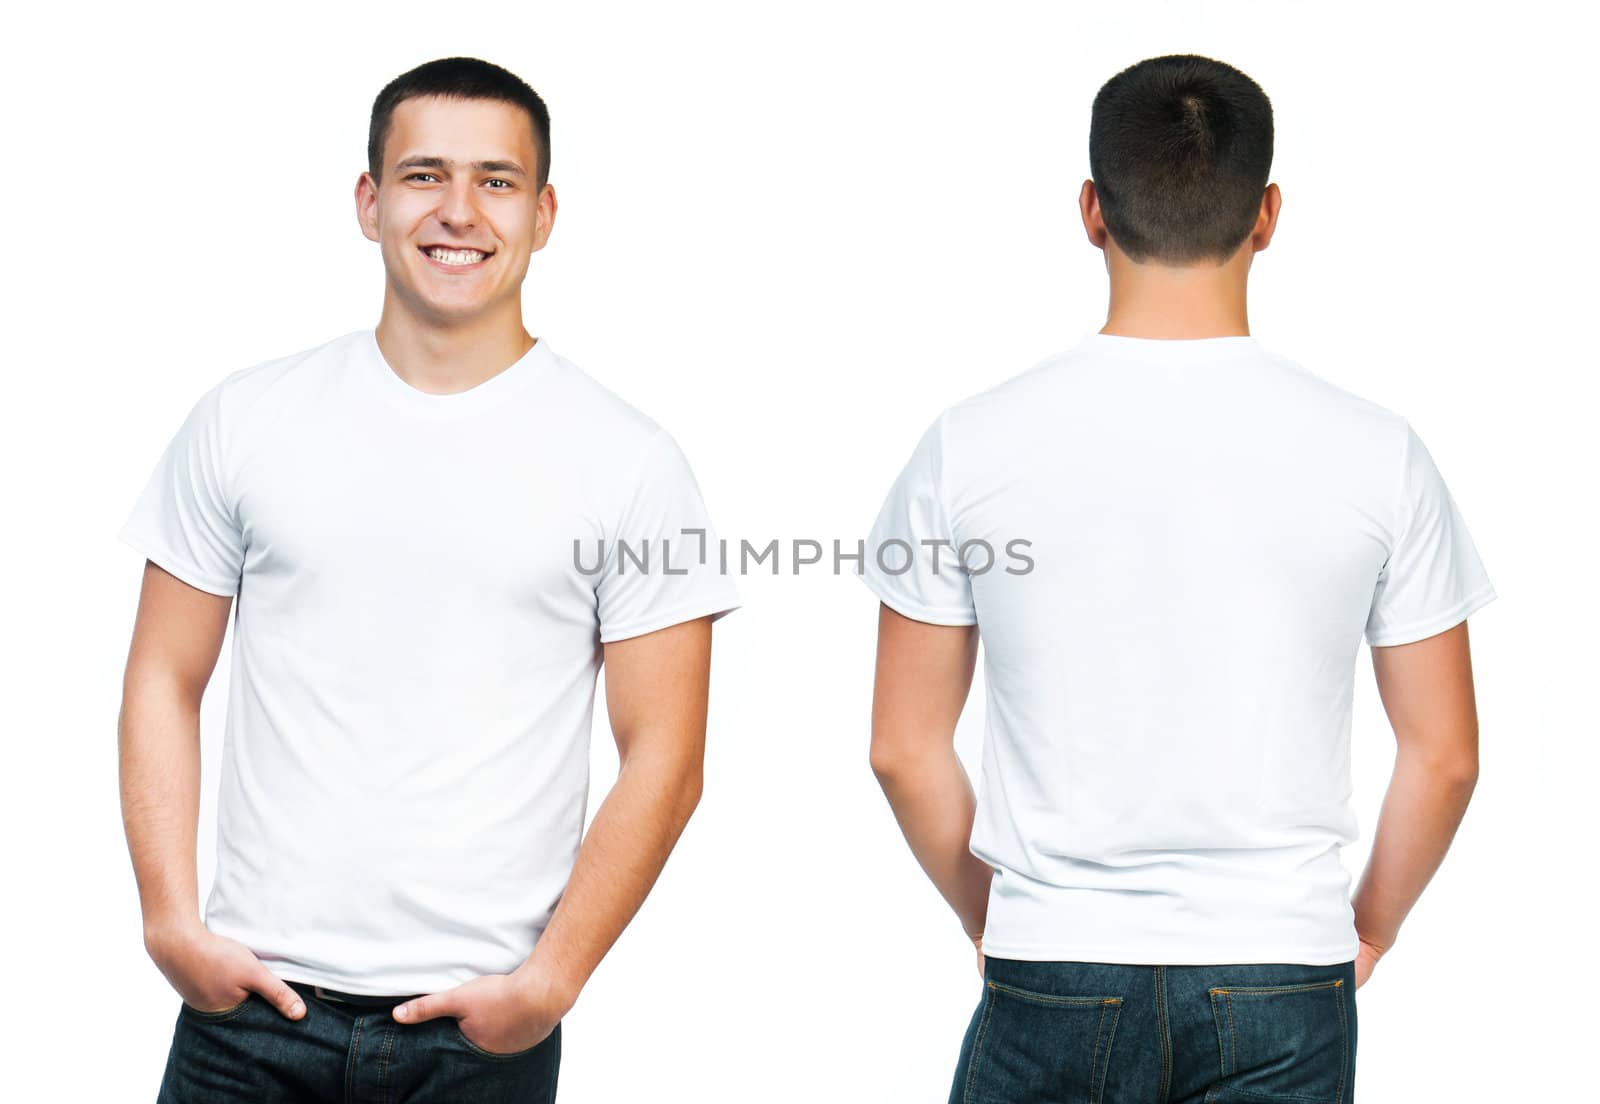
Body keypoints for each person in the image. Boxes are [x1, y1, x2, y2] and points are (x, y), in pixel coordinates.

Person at [861, 53, 1494, 1104]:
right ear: (1267, 215)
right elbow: (1447, 755)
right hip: (1283, 969)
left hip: (1051, 963)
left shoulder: (966, 446)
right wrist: (1366, 927)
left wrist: (1005, 919)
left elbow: (900, 746)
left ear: (1090, 210)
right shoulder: (1377, 453)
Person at [116, 56, 739, 1103]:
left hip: (474, 1038)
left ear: (544, 214)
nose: (458, 211)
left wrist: (550, 984)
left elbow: (666, 757)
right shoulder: (246, 418)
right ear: (368, 202)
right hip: (248, 1018)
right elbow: (160, 678)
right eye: (422, 176)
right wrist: (170, 923)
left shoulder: (630, 462)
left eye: (496, 181)